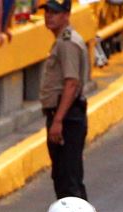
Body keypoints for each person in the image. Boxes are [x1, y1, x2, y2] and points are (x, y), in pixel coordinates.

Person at [38, 0, 89, 201]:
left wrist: (58, 120)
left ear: (66, 15)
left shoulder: (67, 43)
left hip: (67, 117)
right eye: (47, 11)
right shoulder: (62, 40)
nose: (49, 16)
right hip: (64, 115)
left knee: (69, 180)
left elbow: (71, 83)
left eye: (55, 12)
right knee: (63, 176)